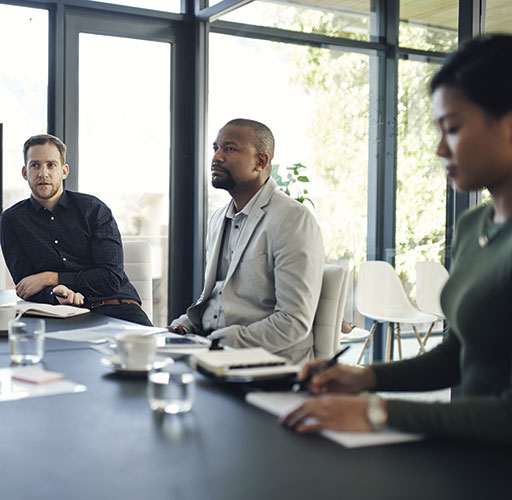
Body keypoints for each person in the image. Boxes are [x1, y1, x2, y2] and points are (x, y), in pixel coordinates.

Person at [282, 34, 512, 443]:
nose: (441, 148)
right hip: (474, 461)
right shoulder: (475, 226)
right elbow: (458, 355)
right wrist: (364, 377)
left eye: (453, 128)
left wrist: (376, 410)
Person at [169, 119, 324, 364]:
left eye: (229, 148)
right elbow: (218, 300)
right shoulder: (218, 219)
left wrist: (217, 345)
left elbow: (293, 322)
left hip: (267, 365)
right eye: (215, 148)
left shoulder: (292, 219)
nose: (216, 157)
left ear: (260, 162)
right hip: (212, 353)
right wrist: (185, 326)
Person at [0, 134, 152, 327]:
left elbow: (110, 279)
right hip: (56, 314)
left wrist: (50, 278)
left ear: (64, 171)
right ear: (24, 172)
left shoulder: (94, 210)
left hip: (116, 308)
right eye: (35, 165)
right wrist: (55, 293)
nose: (43, 173)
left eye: (51, 165)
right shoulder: (12, 220)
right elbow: (26, 286)